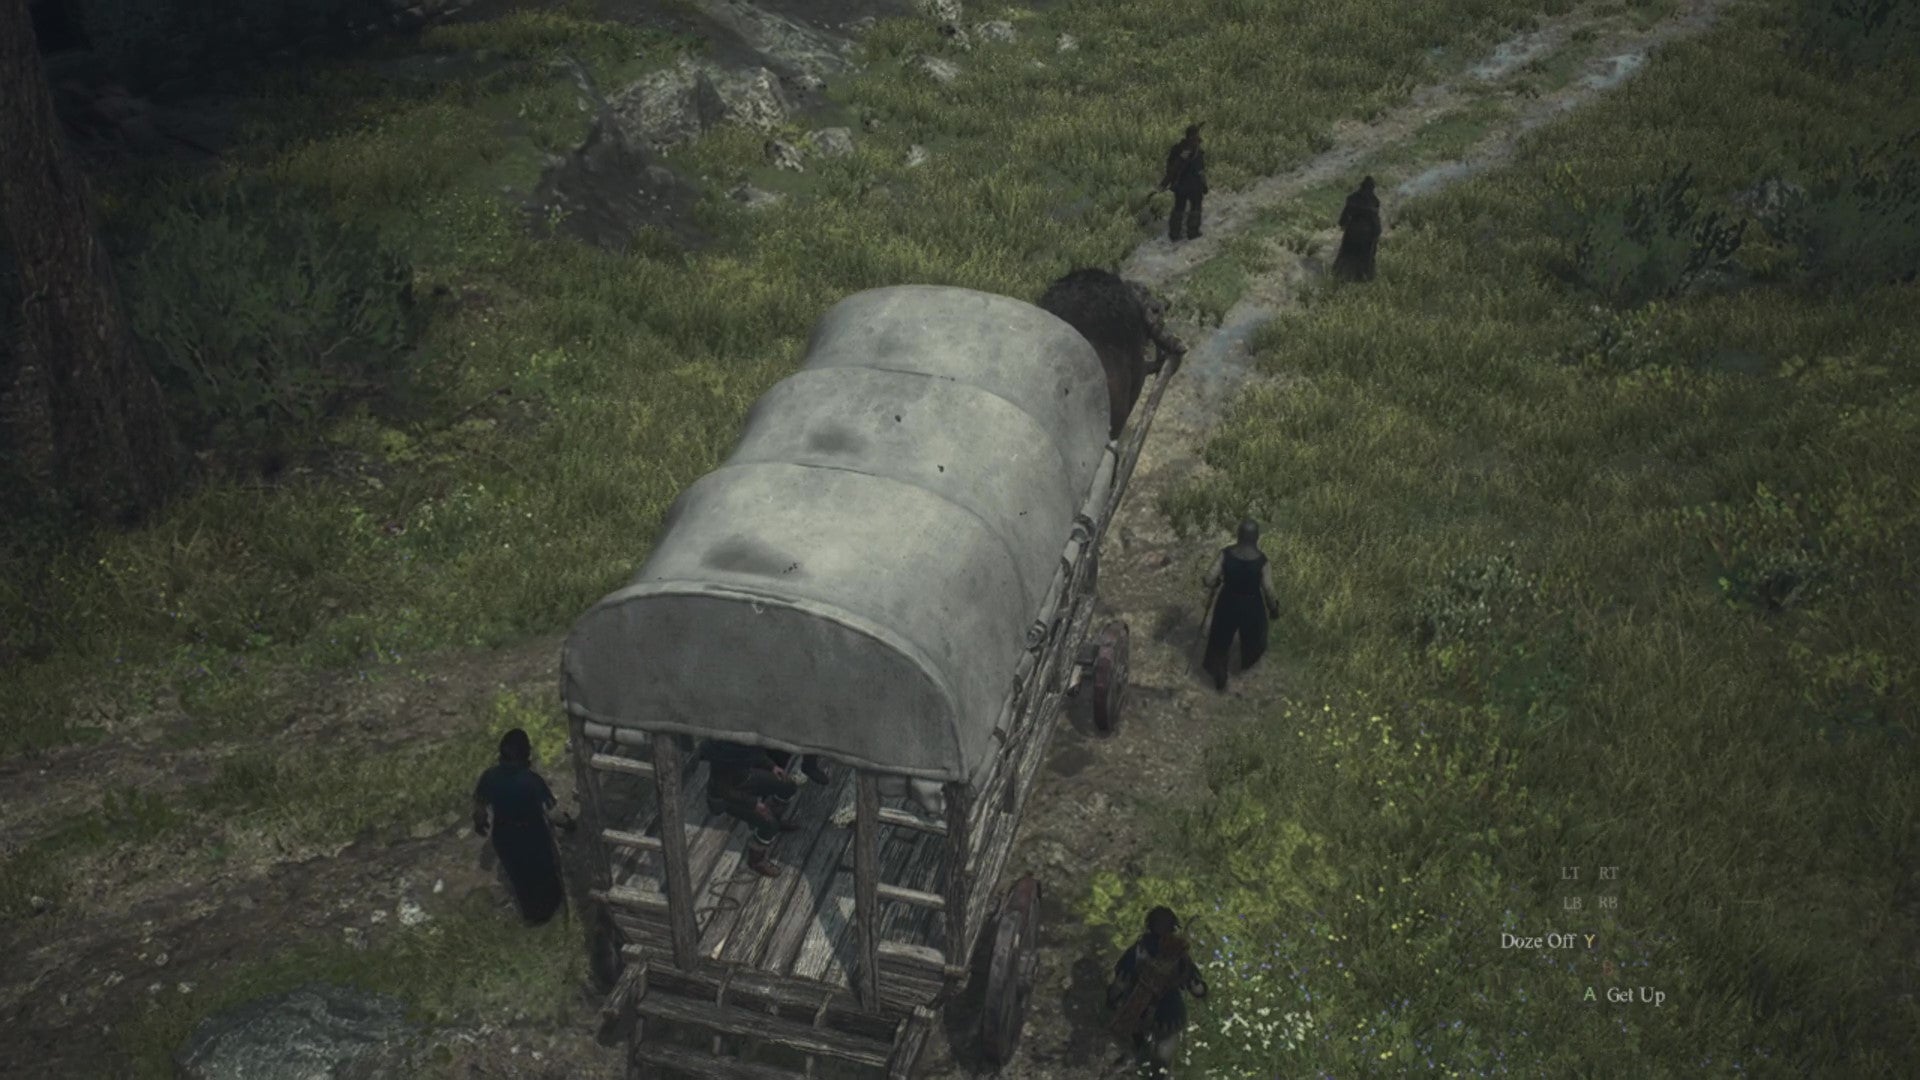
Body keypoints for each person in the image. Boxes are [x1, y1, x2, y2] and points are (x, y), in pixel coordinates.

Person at [471, 728, 570, 926]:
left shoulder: (490, 777)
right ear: (526, 754)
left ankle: (531, 915)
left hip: (505, 837)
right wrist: (569, 824)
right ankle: (552, 911)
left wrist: (480, 822)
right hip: (532, 836)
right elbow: (552, 813)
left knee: (520, 878)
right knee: (544, 874)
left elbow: (479, 806)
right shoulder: (531, 781)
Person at [1106, 906, 1209, 1078]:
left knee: (1159, 1065)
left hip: (1167, 1016)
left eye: (1164, 923)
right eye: (1159, 923)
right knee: (1136, 1059)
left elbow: (1197, 988)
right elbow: (1121, 981)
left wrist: (1195, 984)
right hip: (1138, 1012)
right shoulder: (1140, 950)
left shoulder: (1178, 955)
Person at [699, 739, 803, 877]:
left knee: (788, 786)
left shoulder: (744, 740)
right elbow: (723, 790)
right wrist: (754, 804)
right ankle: (756, 861)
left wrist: (772, 766)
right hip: (726, 798)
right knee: (769, 823)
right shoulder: (721, 753)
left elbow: (755, 754)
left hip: (745, 778)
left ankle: (775, 819)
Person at [1202, 519, 1279, 691]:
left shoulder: (1226, 554)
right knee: (1254, 641)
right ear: (1256, 537)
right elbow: (1268, 590)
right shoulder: (1262, 561)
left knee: (1219, 641)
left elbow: (1208, 579)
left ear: (1239, 535)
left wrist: (1216, 583)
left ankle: (1219, 673)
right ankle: (1246, 673)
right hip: (1252, 605)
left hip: (1227, 601)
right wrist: (1274, 608)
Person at [1159, 124, 1208, 242]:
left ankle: (1174, 234)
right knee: (1195, 207)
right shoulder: (1194, 150)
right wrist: (1204, 184)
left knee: (1179, 208)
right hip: (1193, 185)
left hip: (1179, 184)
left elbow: (1171, 166)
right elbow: (1200, 170)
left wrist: (1166, 182)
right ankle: (1193, 232)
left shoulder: (1177, 148)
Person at [1332, 175, 1383, 282]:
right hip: (1367, 234)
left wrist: (1343, 224)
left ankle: (1339, 275)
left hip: (1353, 230)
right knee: (1366, 258)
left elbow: (1345, 216)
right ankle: (1364, 277)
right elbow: (1375, 220)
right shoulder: (1374, 201)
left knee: (1346, 254)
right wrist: (1377, 232)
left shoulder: (1352, 198)